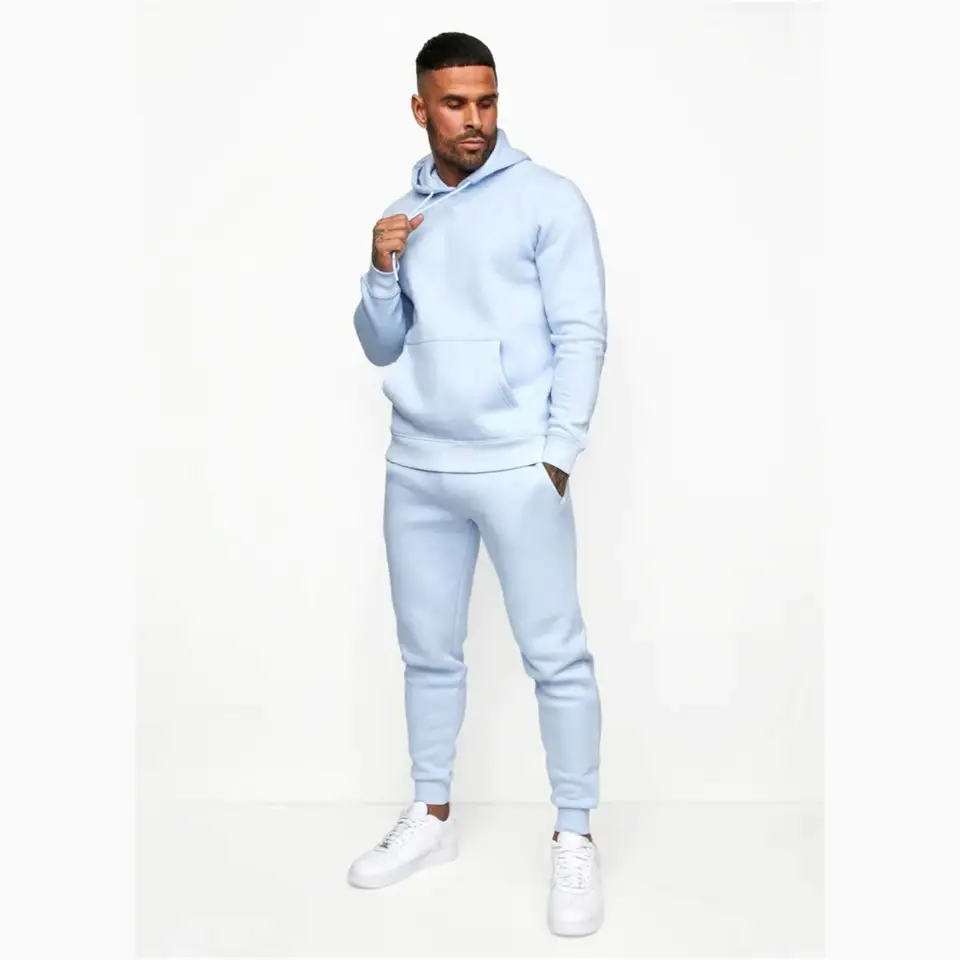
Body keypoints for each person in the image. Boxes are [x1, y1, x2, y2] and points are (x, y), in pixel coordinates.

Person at [346, 31, 608, 937]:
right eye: (455, 103)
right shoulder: (402, 216)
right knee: (427, 652)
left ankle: (575, 835)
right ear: (420, 108)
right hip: (417, 468)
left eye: (486, 101)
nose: (474, 120)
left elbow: (582, 330)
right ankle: (432, 817)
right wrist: (381, 269)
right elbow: (380, 343)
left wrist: (557, 455)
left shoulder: (548, 199)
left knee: (556, 656)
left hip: (515, 468)